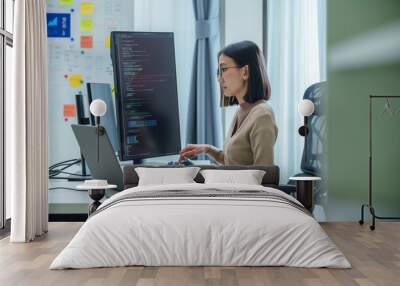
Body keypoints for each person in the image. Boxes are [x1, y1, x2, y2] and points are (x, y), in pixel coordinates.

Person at [179, 41, 278, 166]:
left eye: (224, 69)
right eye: (219, 72)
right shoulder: (242, 110)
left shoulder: (263, 115)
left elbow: (265, 174)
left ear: (245, 72)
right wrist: (208, 149)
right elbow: (234, 161)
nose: (219, 79)